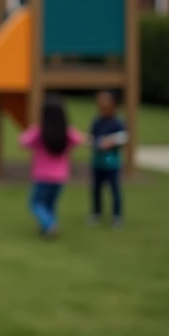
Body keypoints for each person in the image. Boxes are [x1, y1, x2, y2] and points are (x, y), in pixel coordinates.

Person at [20, 96, 84, 238]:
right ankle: (46, 228)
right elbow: (78, 140)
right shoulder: (66, 132)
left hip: (42, 176)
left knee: (36, 203)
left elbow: (23, 141)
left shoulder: (39, 132)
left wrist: (33, 129)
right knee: (50, 204)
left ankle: (50, 224)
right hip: (60, 176)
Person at [88, 90, 127, 227]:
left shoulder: (117, 122)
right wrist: (98, 142)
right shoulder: (97, 121)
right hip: (98, 162)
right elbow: (91, 138)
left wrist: (111, 141)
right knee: (96, 190)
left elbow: (124, 137)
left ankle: (117, 216)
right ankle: (96, 213)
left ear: (113, 104)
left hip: (112, 163)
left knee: (114, 189)